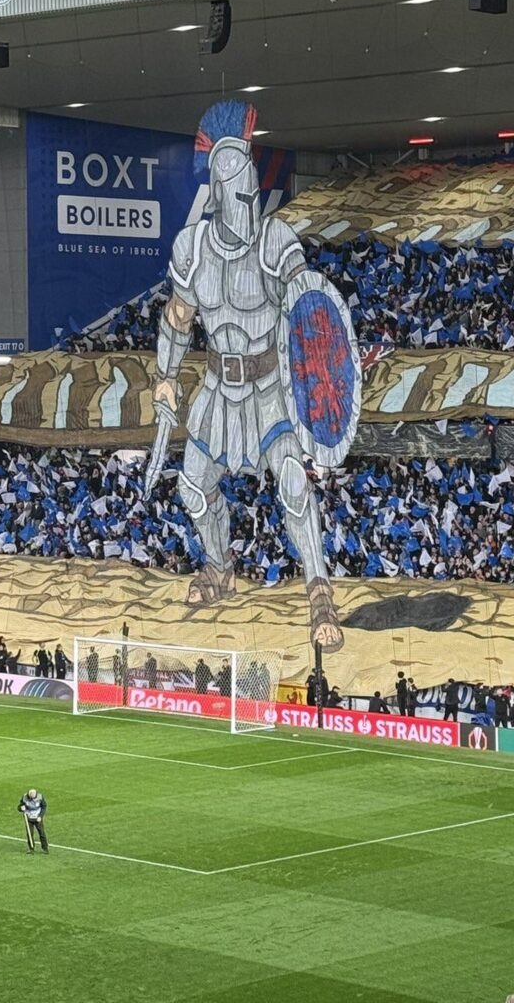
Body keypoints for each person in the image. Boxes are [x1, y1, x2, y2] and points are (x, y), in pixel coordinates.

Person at [147, 101, 346, 650]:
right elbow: (178, 317)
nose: (247, 197)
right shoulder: (192, 248)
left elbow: (307, 306)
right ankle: (220, 566)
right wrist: (166, 375)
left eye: (251, 185)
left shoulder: (276, 241)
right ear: (217, 189)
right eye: (236, 186)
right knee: (192, 486)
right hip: (218, 388)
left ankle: (319, 591)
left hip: (269, 387)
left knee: (293, 483)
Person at [17, 788, 49, 854]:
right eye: (30, 797)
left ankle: (45, 848)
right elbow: (19, 806)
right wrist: (21, 808)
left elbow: (44, 807)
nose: (32, 799)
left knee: (41, 833)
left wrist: (40, 816)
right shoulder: (24, 797)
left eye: (33, 797)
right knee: (29, 834)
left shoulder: (40, 797)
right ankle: (31, 848)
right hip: (28, 818)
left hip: (37, 818)